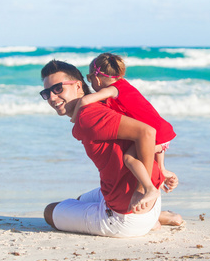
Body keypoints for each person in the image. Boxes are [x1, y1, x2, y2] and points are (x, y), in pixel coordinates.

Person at [39, 59, 182, 238]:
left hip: (125, 217)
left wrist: (141, 189)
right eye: (46, 93)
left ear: (77, 85)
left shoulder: (88, 116)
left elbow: (146, 132)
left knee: (50, 211)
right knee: (77, 201)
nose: (52, 97)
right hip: (149, 205)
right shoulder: (106, 102)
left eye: (58, 88)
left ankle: (149, 219)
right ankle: (156, 218)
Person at [71, 53, 177, 212]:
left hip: (153, 135)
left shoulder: (113, 89)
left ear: (97, 77)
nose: (90, 82)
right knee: (144, 151)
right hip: (162, 131)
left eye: (89, 78)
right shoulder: (125, 85)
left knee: (129, 158)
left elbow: (85, 100)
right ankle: (162, 169)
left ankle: (148, 188)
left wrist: (74, 118)